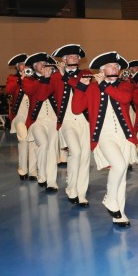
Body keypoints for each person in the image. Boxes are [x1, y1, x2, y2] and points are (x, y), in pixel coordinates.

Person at [73, 51, 138, 227]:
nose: (115, 68)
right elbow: (76, 108)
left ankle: (119, 214)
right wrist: (81, 86)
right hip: (104, 134)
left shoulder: (124, 85)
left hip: (125, 135)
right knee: (119, 165)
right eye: (111, 66)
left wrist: (104, 85)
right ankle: (110, 199)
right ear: (102, 69)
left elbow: (125, 98)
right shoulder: (93, 88)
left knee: (122, 175)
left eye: (117, 66)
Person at [51, 44, 92, 207]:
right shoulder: (56, 76)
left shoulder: (86, 74)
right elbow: (42, 94)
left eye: (76, 56)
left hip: (84, 120)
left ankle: (81, 193)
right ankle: (71, 188)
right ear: (64, 60)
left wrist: (65, 76)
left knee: (85, 156)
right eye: (71, 56)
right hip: (66, 121)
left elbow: (80, 85)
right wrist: (46, 77)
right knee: (75, 151)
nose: (74, 58)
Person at [23, 52, 59, 192]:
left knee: (52, 149)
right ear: (34, 66)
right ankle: (41, 174)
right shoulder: (28, 80)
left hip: (53, 119)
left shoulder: (53, 78)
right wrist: (45, 79)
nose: (42, 65)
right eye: (39, 64)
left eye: (44, 63)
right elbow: (33, 92)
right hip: (37, 120)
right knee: (43, 144)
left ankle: (51, 182)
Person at [5, 53, 36, 181]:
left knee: (33, 141)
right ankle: (22, 168)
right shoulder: (12, 78)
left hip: (32, 114)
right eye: (22, 64)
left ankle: (33, 170)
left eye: (26, 64)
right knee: (23, 139)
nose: (25, 67)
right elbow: (8, 90)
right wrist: (20, 79)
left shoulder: (33, 78)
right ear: (17, 67)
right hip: (19, 114)